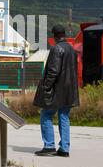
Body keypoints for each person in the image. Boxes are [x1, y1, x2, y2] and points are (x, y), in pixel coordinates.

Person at [33, 24, 79, 157]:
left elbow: (53, 71)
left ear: (54, 36)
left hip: (57, 90)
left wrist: (46, 87)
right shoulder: (71, 49)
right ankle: (64, 148)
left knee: (46, 114)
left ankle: (49, 146)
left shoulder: (56, 49)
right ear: (64, 34)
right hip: (69, 91)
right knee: (64, 117)